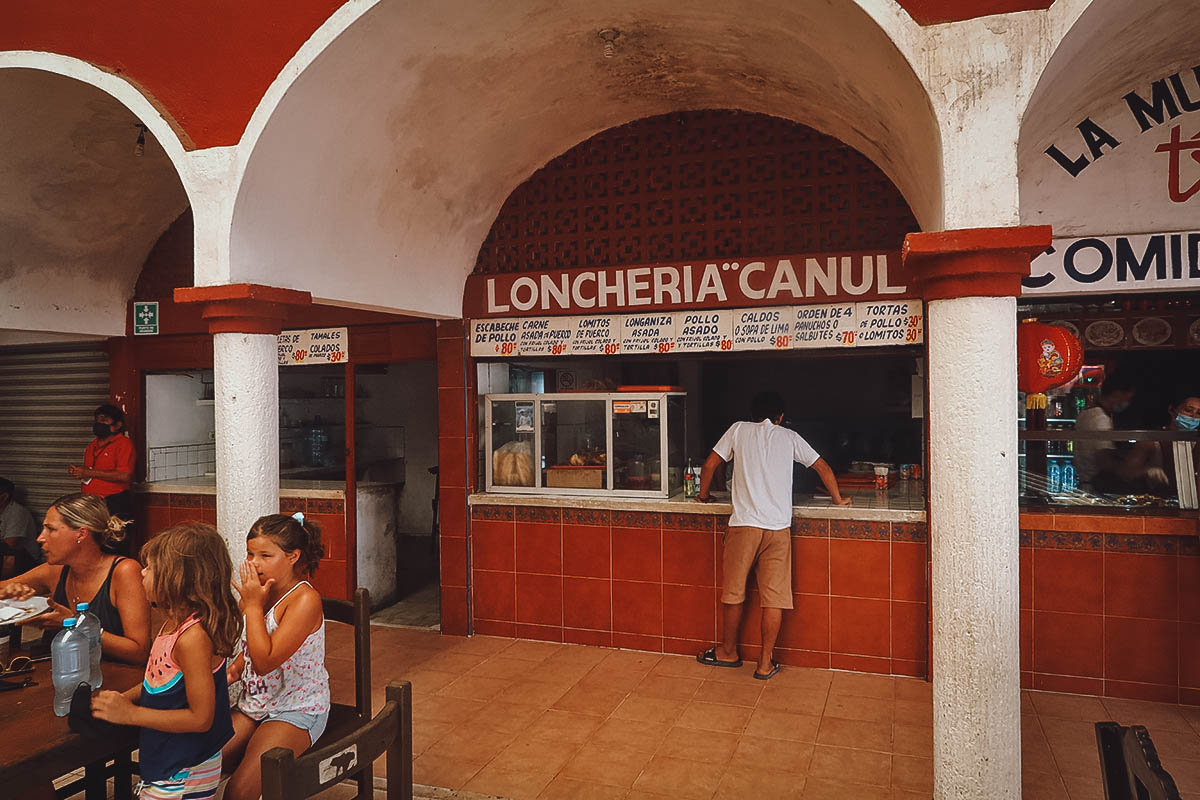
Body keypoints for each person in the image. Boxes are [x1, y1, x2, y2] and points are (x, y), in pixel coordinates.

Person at [695, 391, 850, 680]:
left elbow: (710, 465)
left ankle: (728, 652)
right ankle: (765, 663)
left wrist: (703, 496)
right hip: (778, 529)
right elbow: (823, 467)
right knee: (775, 598)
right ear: (780, 417)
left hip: (744, 526)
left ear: (753, 413)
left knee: (734, 593)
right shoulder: (788, 436)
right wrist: (838, 499)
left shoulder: (738, 430)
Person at [91, 522, 241, 800]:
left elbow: (201, 718)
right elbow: (159, 681)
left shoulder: (192, 639)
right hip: (168, 762)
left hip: (184, 770)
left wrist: (131, 714)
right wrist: (123, 699)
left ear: (177, 579)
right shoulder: (173, 624)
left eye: (149, 568)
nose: (142, 574)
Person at [221, 512, 329, 800]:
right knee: (193, 764)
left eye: (265, 555)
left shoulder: (304, 600)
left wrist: (252, 608)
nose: (253, 563)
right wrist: (223, 676)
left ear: (293, 557)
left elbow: (265, 662)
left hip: (297, 708)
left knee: (238, 792)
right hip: (254, 704)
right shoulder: (261, 593)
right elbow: (245, 658)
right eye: (250, 553)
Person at [0, 493, 150, 663]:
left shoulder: (124, 572)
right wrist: (6, 593)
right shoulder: (56, 571)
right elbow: (2, 587)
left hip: (111, 681)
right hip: (61, 674)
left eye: (51, 529)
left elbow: (139, 652)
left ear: (81, 534)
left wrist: (75, 624)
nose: (40, 538)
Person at [69, 404, 137, 549]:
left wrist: (88, 472)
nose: (99, 424)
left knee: (114, 545)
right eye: (97, 420)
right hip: (92, 503)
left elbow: (124, 476)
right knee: (94, 546)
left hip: (114, 502)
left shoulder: (124, 444)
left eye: (104, 420)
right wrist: (80, 472)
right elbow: (92, 473)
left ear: (118, 425)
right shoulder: (91, 447)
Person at [1074, 375, 1138, 492]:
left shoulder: (1085, 414)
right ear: (1117, 394)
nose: (1127, 403)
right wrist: (1137, 470)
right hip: (1096, 489)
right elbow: (1104, 461)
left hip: (1085, 486)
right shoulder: (1100, 419)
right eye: (1127, 399)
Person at [0, 477, 40, 577]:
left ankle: (4, 585)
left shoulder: (18, 512)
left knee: (9, 552)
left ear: (4, 497)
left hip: (26, 560)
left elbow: (10, 544)